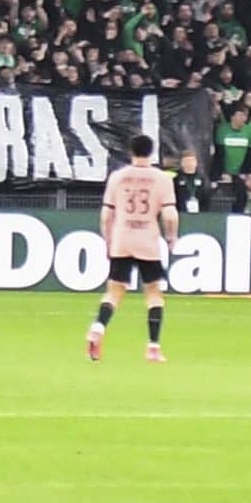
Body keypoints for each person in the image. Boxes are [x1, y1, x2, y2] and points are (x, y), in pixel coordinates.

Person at [88, 133, 177, 364]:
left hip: (122, 238)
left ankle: (98, 326)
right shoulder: (162, 179)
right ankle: (153, 346)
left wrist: (107, 239)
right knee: (154, 293)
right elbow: (169, 214)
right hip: (146, 239)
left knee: (114, 291)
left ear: (130, 151)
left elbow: (106, 214)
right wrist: (171, 237)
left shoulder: (118, 177)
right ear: (151, 152)